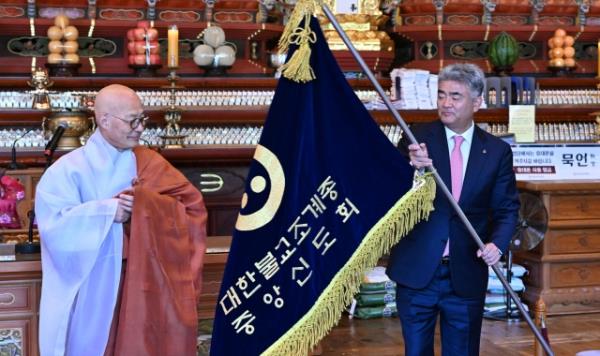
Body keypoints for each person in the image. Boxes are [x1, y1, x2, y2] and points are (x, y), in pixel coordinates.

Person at [35, 84, 207, 356]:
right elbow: (54, 226)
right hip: (93, 284)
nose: (140, 128)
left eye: (143, 120)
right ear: (104, 120)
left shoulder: (150, 163)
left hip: (142, 280)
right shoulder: (68, 171)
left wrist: (147, 206)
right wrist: (108, 211)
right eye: (132, 121)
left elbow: (191, 208)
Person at [386, 63, 519, 356]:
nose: (446, 103)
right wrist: (412, 169)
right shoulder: (416, 141)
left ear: (477, 102)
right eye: (442, 95)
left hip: (465, 272)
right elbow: (392, 197)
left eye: (456, 96)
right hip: (418, 270)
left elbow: (507, 209)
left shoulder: (496, 152)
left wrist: (497, 244)